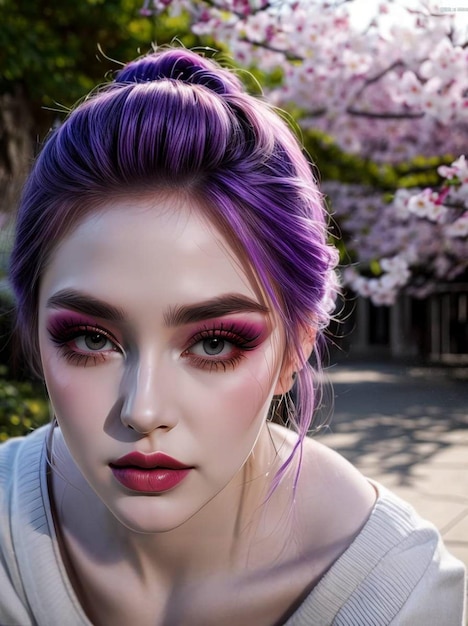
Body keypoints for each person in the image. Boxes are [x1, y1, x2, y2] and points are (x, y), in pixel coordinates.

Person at [1, 47, 465, 626]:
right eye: (92, 339)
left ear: (295, 348)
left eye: (214, 343)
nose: (144, 410)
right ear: (35, 329)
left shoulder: (401, 597)